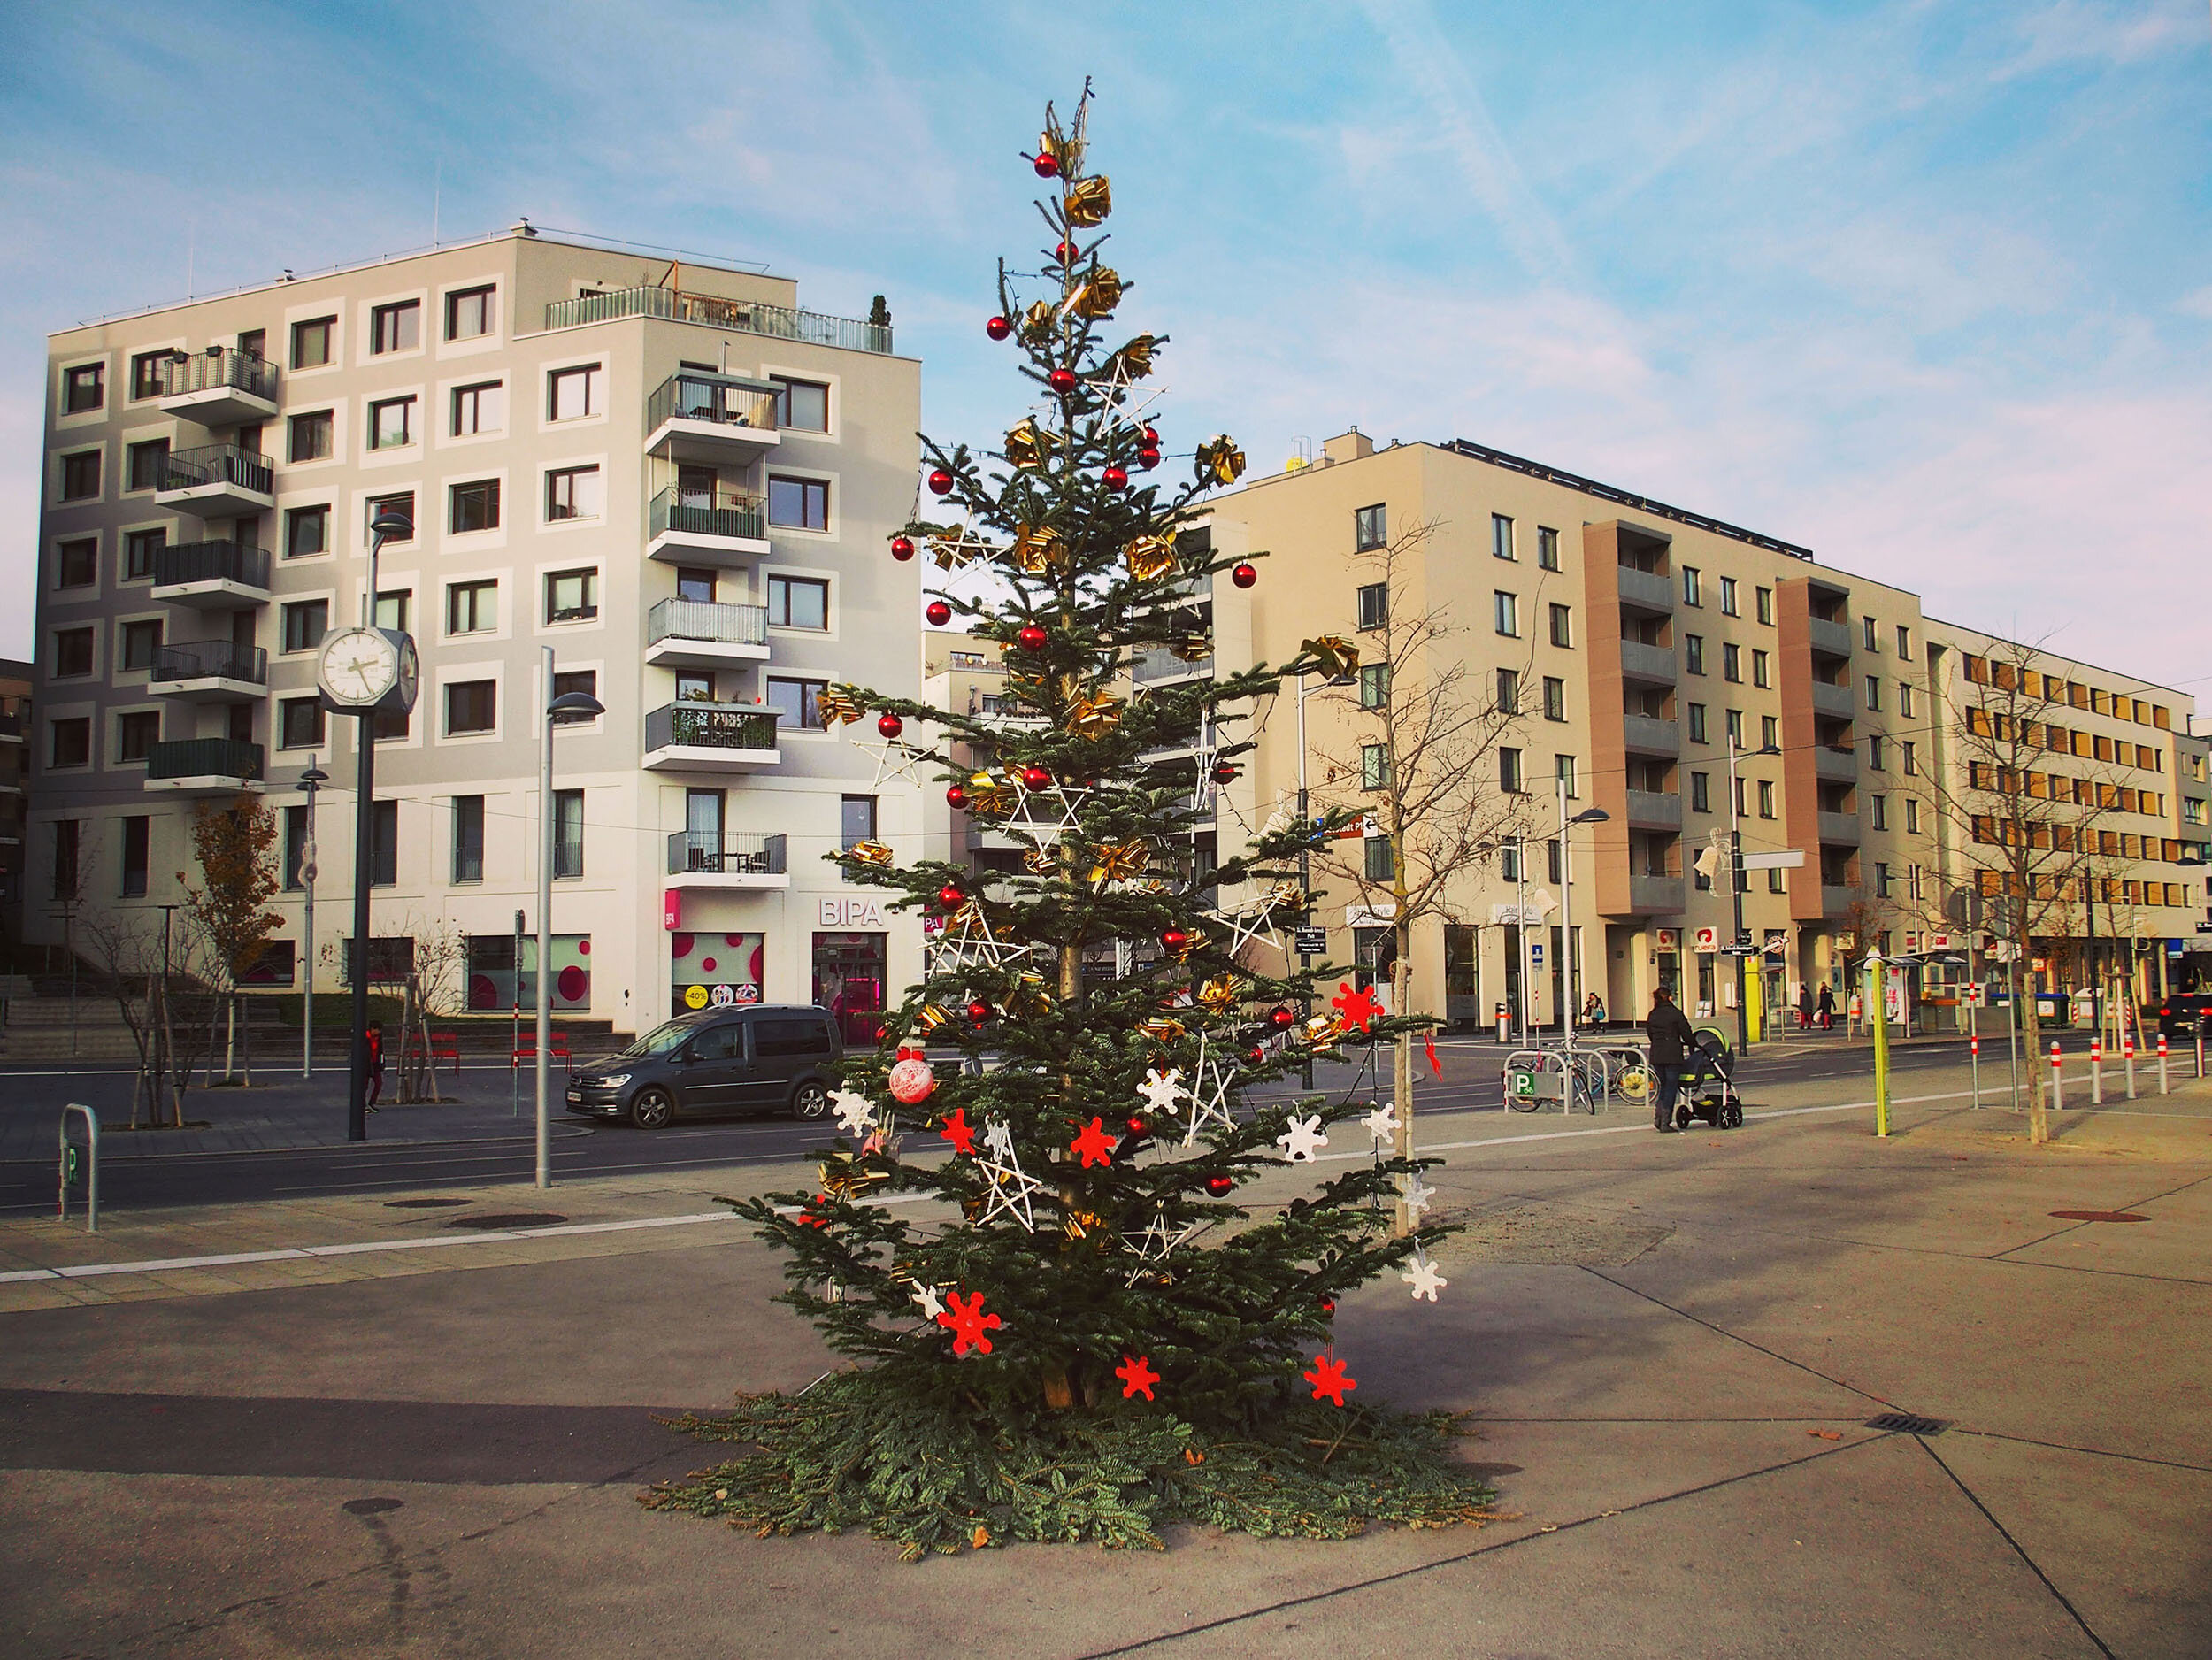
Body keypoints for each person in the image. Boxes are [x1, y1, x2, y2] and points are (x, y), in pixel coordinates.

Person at [1647, 987, 1695, 1134]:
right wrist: (1693, 1045)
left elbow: (1650, 1034)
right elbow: (1686, 1033)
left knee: (1664, 1085)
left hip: (1657, 1054)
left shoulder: (1653, 1014)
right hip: (1672, 1055)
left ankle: (1658, 1117)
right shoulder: (1675, 1013)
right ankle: (1665, 1122)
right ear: (1669, 998)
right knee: (1671, 1087)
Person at [365, 1020, 386, 1109]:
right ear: (372, 1029)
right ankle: (363, 1104)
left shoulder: (378, 1038)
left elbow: (381, 1051)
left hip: (375, 1064)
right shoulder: (364, 1038)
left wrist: (382, 1063)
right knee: (364, 1085)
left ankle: (372, 1103)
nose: (379, 1032)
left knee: (378, 1084)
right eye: (378, 1030)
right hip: (365, 1065)